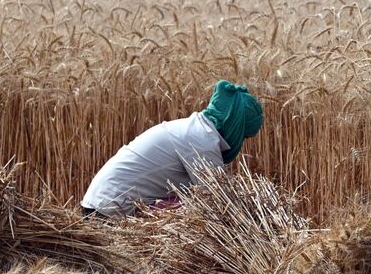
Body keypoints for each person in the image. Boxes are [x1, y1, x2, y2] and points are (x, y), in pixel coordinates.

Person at [81, 80, 263, 217]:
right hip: (109, 211)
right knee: (199, 207)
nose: (241, 141)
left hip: (99, 203)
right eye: (244, 136)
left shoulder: (193, 128)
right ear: (235, 125)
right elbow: (219, 199)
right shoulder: (201, 139)